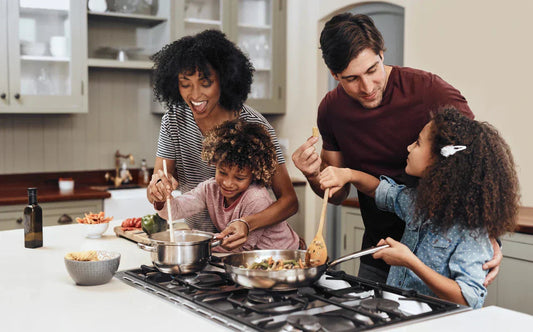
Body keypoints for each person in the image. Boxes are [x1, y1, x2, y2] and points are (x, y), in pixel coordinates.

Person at [292, 13, 502, 284]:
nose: (367, 87)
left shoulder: (430, 91)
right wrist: (313, 174)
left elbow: (479, 160)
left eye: (372, 70)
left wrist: (488, 235)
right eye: (352, 79)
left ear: (382, 53)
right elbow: (337, 193)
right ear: (334, 75)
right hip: (380, 252)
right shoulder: (331, 110)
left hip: (443, 258)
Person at [318, 108, 519, 308]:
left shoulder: (472, 230)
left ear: (439, 161)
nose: (408, 147)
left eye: (418, 143)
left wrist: (410, 261)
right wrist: (349, 175)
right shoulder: (418, 202)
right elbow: (380, 190)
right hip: (401, 314)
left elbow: (468, 299)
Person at [148, 30, 298, 250]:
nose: (195, 94)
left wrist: (246, 224)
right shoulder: (173, 120)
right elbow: (160, 186)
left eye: (205, 82)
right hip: (204, 244)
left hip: (248, 249)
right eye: (185, 83)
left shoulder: (255, 126)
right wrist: (157, 190)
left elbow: (289, 202)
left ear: (224, 80)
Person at [157, 120, 300, 252]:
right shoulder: (210, 189)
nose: (227, 183)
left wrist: (195, 242)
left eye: (239, 177)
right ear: (214, 164)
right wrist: (162, 199)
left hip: (283, 255)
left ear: (254, 174)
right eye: (222, 172)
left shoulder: (255, 198)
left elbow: (240, 247)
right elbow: (174, 211)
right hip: (250, 258)